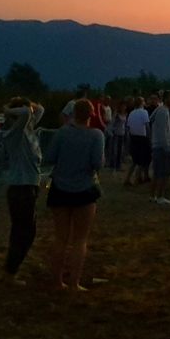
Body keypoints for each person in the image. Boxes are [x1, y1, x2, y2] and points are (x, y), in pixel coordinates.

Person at [43, 99, 105, 291]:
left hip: (60, 189)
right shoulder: (96, 135)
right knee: (80, 239)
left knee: (60, 238)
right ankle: (74, 283)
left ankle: (56, 281)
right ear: (91, 115)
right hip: (84, 190)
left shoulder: (62, 133)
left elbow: (49, 157)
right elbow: (97, 163)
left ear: (73, 113)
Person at [0, 98, 44, 284]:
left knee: (21, 231)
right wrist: (8, 109)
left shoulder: (27, 130)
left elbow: (39, 109)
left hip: (28, 186)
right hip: (21, 188)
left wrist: (27, 105)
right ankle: (10, 270)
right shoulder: (15, 133)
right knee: (25, 232)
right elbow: (26, 113)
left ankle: (10, 269)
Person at [147, 93, 170, 205]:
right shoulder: (164, 111)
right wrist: (167, 147)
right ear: (167, 99)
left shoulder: (159, 110)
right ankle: (160, 196)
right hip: (163, 146)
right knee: (165, 172)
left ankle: (152, 195)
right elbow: (164, 131)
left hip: (156, 145)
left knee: (157, 173)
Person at [125, 97, 150, 187]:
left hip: (133, 137)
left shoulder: (131, 113)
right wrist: (149, 137)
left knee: (135, 160)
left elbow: (128, 127)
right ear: (141, 103)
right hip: (142, 138)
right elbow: (147, 126)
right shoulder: (144, 112)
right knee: (142, 160)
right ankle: (137, 178)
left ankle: (128, 178)